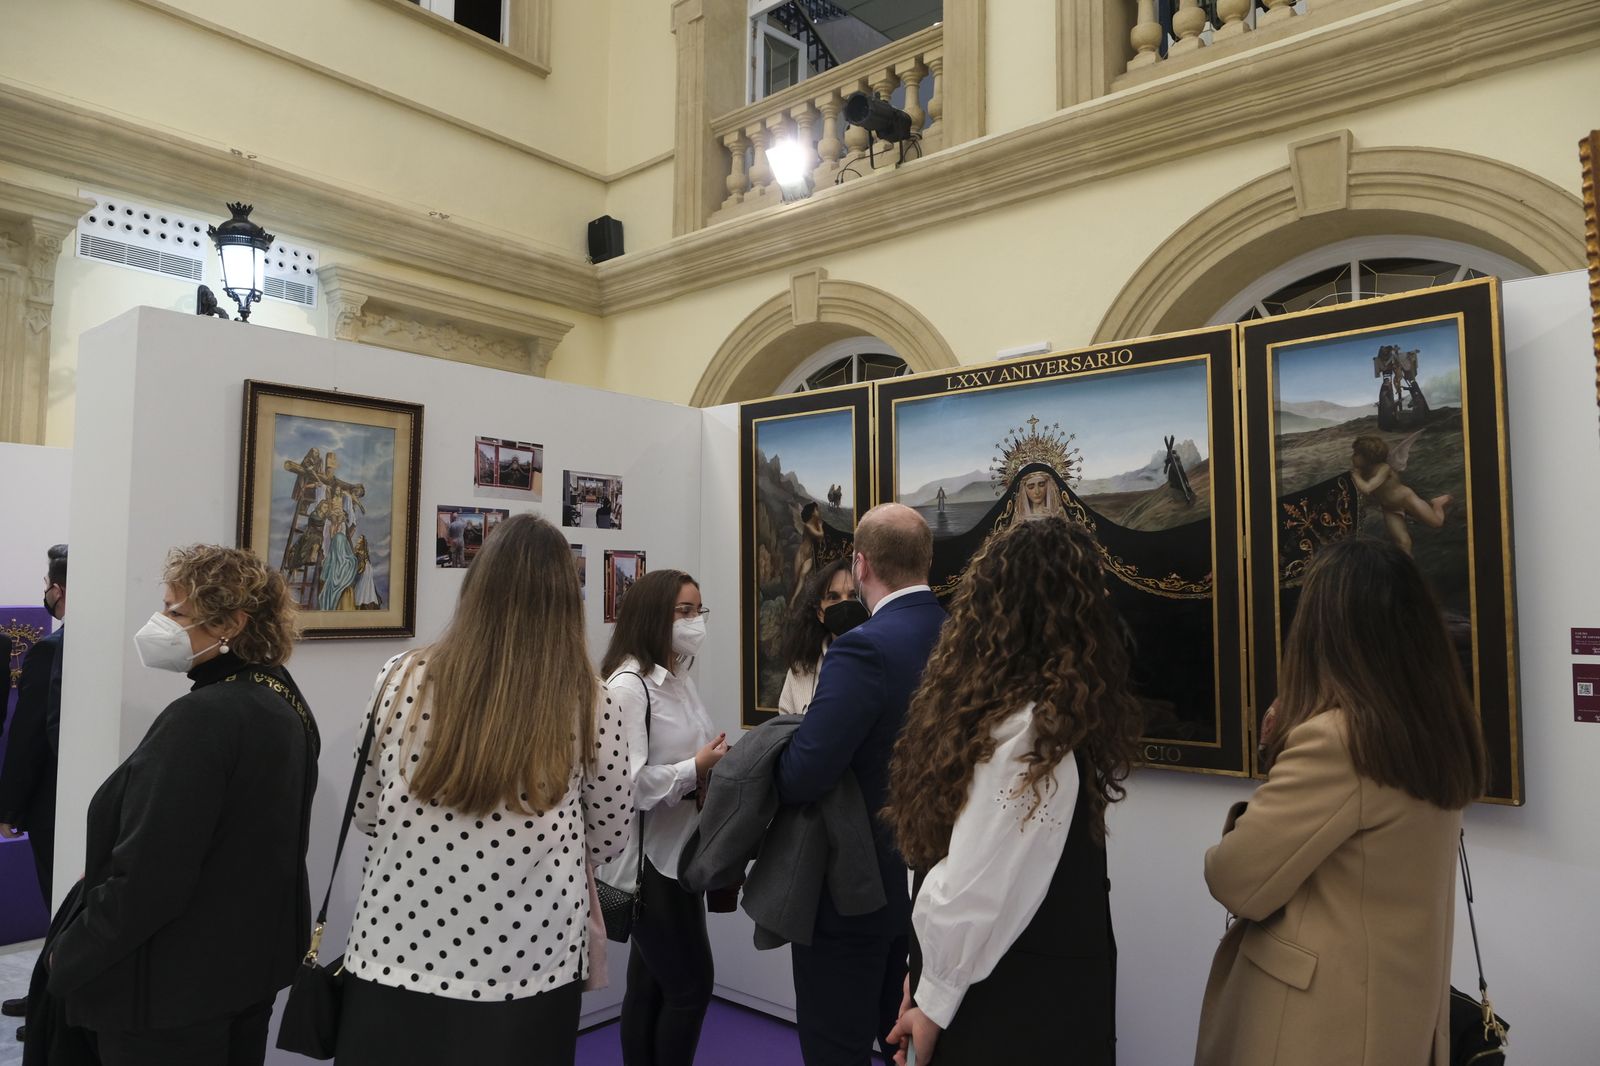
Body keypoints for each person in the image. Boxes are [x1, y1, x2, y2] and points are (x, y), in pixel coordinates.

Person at [336, 514, 632, 1066]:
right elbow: (610, 838)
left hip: (393, 950)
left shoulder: (400, 676)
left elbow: (367, 811)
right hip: (527, 963)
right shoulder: (591, 700)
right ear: (567, 601)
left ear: (476, 585)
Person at [1194, 536, 1487, 1066]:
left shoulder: (1337, 739)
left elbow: (1236, 880)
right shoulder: (1434, 728)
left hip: (1321, 1027)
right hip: (1393, 1017)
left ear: (1322, 629)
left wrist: (1273, 759)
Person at [46, 545, 317, 1066]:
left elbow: (152, 875)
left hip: (170, 989)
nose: (161, 623)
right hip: (246, 967)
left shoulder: (203, 718)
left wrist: (71, 952)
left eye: (176, 611)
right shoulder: (282, 697)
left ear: (230, 624)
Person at [884, 517, 1139, 1065]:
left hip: (993, 997)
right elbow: (972, 888)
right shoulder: (1033, 734)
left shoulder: (986, 716)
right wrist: (931, 996)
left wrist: (925, 979)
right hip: (1017, 1011)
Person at [775, 503, 946, 1066]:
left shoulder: (862, 647)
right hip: (934, 885)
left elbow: (804, 773)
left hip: (855, 889)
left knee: (836, 1045)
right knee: (906, 1045)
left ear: (862, 564)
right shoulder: (962, 636)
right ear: (925, 560)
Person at [599, 568, 728, 1066]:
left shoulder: (677, 678)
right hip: (650, 865)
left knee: (651, 984)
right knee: (691, 987)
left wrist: (707, 766)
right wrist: (695, 768)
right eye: (684, 612)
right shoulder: (629, 687)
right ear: (655, 615)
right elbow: (626, 786)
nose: (696, 622)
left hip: (681, 855)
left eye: (699, 610)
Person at [0, 543, 68, 1034]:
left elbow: (27, 737)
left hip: (51, 802)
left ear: (57, 589)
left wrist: (10, 808)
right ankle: (47, 994)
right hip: (87, 797)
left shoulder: (49, 649)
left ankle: (54, 1007)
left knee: (60, 904)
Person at [776, 557, 864, 716]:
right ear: (820, 613)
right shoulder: (800, 670)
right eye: (833, 597)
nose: (845, 604)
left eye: (853, 595)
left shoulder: (879, 660)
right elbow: (785, 726)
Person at [1349, 434, 1451, 556]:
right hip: (1390, 508)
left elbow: (1368, 488)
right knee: (1403, 543)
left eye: (1356, 454)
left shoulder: (1384, 468)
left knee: (1437, 523)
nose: (1352, 457)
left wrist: (1356, 476)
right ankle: (1407, 564)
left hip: (1406, 499)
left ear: (1367, 457)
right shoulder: (1362, 471)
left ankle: (1437, 503)